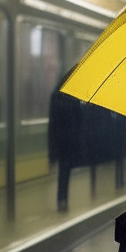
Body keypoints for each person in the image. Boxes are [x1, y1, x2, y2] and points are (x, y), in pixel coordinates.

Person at [48, 69, 83, 211]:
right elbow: (79, 119)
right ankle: (63, 199)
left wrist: (52, 146)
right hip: (70, 138)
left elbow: (53, 122)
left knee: (63, 170)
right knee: (65, 170)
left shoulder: (55, 96)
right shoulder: (73, 97)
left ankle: (61, 199)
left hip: (60, 139)